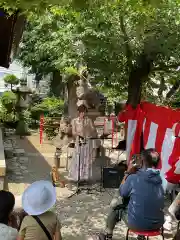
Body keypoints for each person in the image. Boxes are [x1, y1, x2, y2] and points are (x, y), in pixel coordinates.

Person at [98, 148, 164, 240]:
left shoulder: (133, 178)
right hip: (158, 224)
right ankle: (141, 237)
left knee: (117, 207)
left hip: (137, 224)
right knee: (142, 201)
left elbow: (122, 192)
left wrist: (127, 173)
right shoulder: (161, 180)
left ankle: (108, 235)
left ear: (142, 161)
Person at [69, 100, 98, 182]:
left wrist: (88, 128)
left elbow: (93, 130)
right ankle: (77, 177)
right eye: (81, 112)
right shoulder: (74, 121)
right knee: (78, 159)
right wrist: (79, 135)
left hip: (87, 141)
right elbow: (73, 132)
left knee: (86, 159)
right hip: (79, 141)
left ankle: (84, 177)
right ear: (78, 112)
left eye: (84, 112)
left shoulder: (88, 120)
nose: (83, 114)